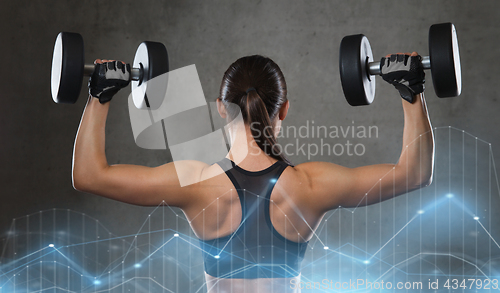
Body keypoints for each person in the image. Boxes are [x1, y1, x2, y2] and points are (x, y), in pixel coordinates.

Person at [72, 53, 434, 293]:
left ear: (220, 108)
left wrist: (100, 95)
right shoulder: (310, 185)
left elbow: (89, 175)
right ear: (285, 110)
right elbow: (413, 173)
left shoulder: (196, 182)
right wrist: (411, 91)